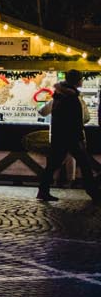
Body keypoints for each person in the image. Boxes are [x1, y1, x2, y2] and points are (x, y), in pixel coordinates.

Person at [36, 70, 101, 204]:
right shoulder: (71, 97)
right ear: (77, 80)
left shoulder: (60, 96)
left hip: (60, 136)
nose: (82, 81)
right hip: (71, 137)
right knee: (85, 165)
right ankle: (92, 191)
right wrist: (79, 136)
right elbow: (76, 119)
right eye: (81, 78)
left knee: (54, 164)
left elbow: (46, 113)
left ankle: (43, 190)